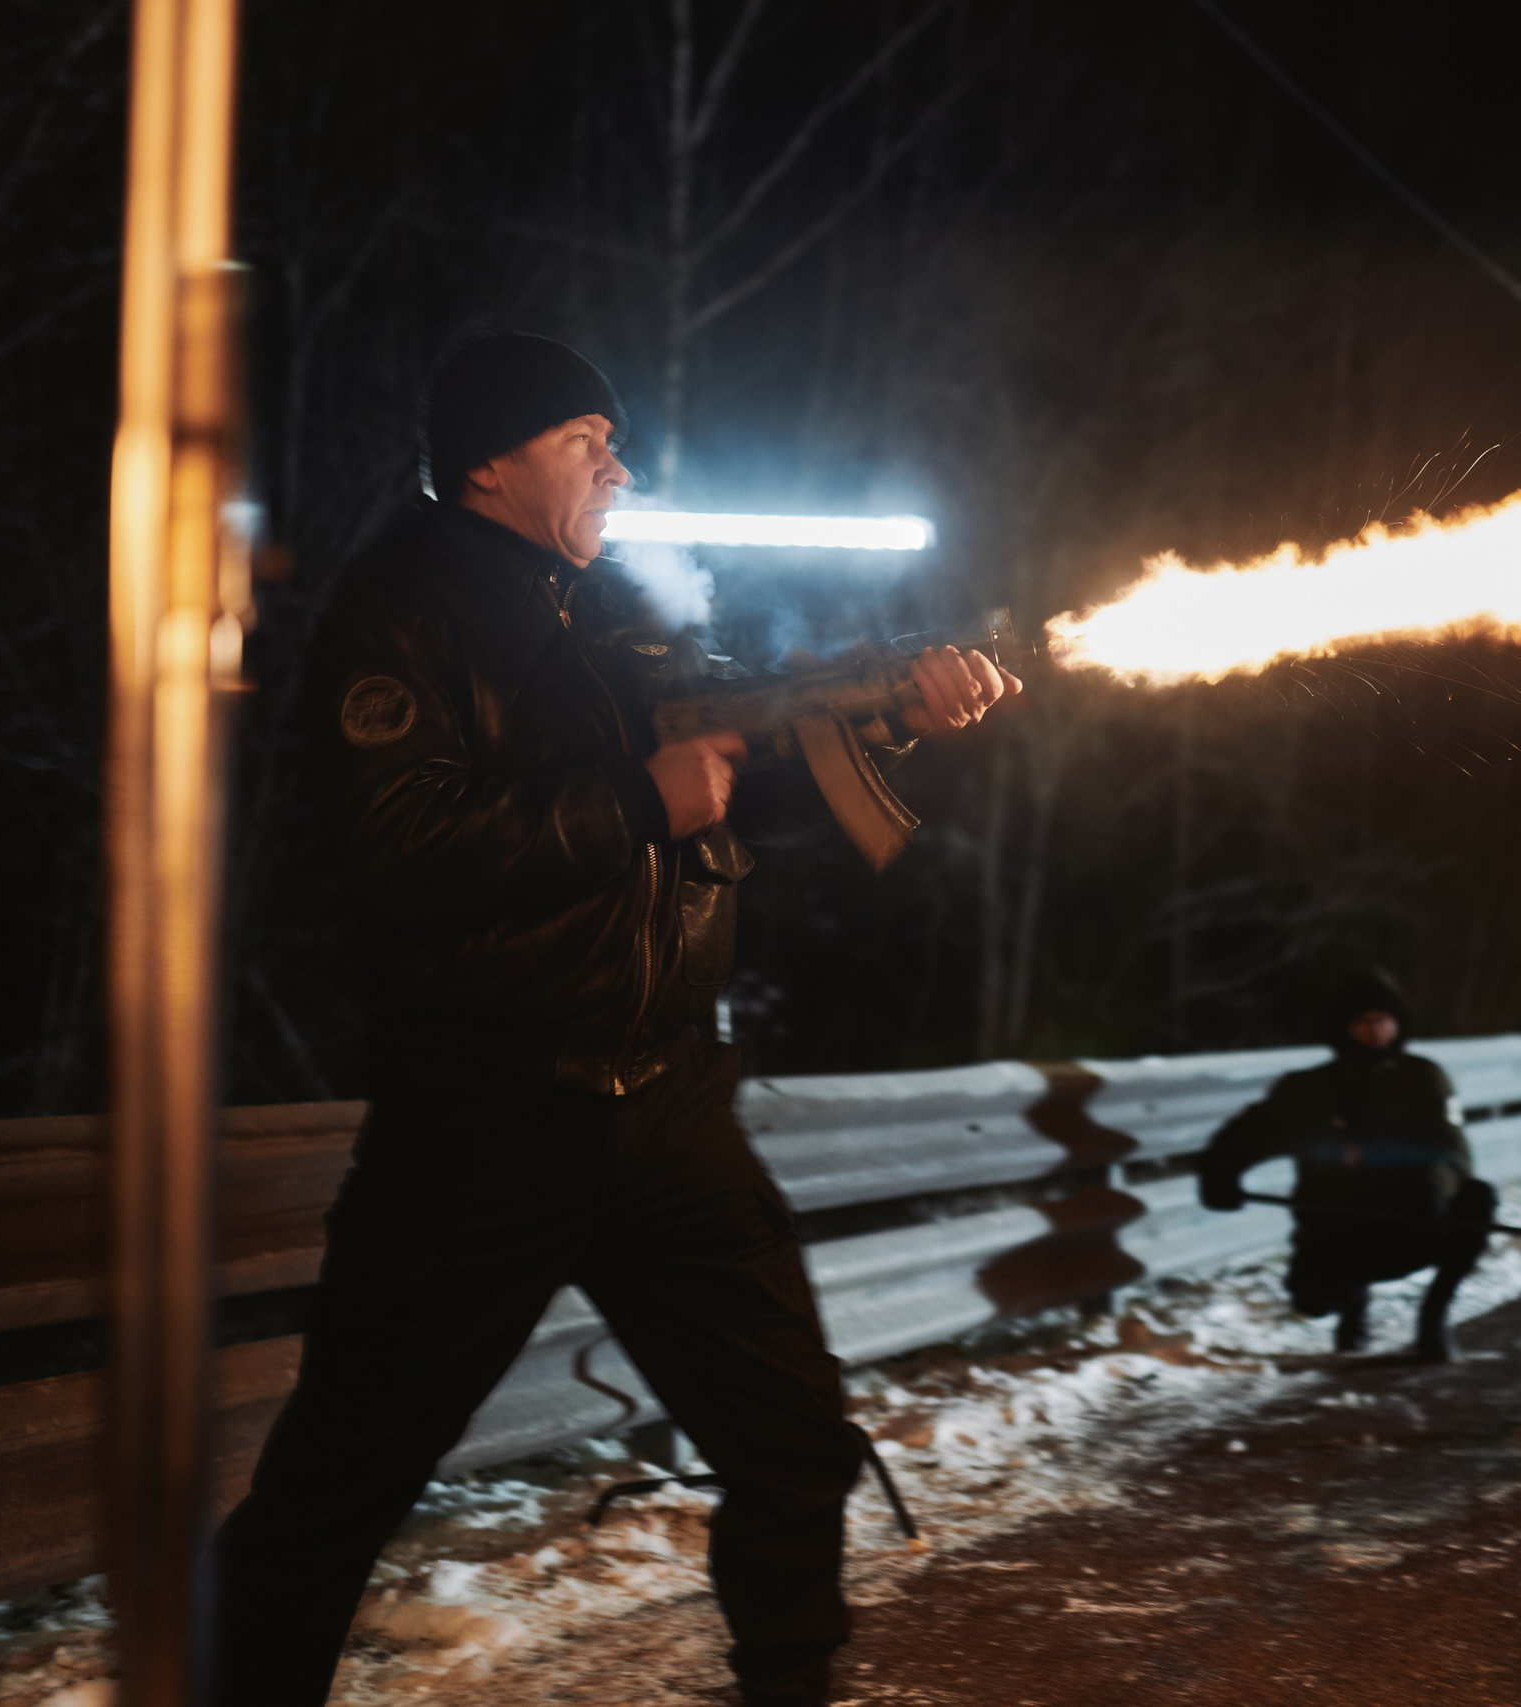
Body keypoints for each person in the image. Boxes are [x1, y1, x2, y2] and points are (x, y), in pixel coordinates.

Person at [210, 332, 1016, 1707]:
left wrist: (882, 723)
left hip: (670, 1107)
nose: (621, 467)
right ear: (489, 460)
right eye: (588, 440)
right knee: (334, 1490)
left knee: (790, 1443)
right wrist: (641, 800)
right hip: (488, 1115)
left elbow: (735, 789)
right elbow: (406, 852)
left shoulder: (626, 604)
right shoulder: (400, 609)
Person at [1197, 974, 1497, 1361]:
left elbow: (1452, 1150)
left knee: (1478, 1199)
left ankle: (1433, 1323)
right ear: (1342, 1027)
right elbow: (1250, 1134)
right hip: (1340, 1229)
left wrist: (1432, 1188)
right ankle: (1351, 1317)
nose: (1375, 1031)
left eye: (1383, 1020)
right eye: (1362, 1021)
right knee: (1313, 1300)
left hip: (1412, 1220)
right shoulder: (1307, 1089)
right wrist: (1219, 1173)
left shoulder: (1423, 1077)